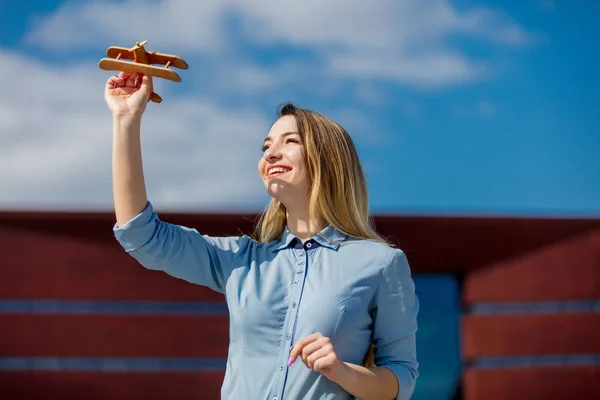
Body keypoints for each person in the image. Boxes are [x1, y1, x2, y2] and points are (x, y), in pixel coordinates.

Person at [104, 71, 419, 400]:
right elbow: (142, 236)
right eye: (266, 146)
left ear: (329, 160)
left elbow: (402, 377)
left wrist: (342, 371)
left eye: (290, 141)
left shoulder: (381, 263)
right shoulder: (240, 260)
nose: (270, 153)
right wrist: (126, 119)